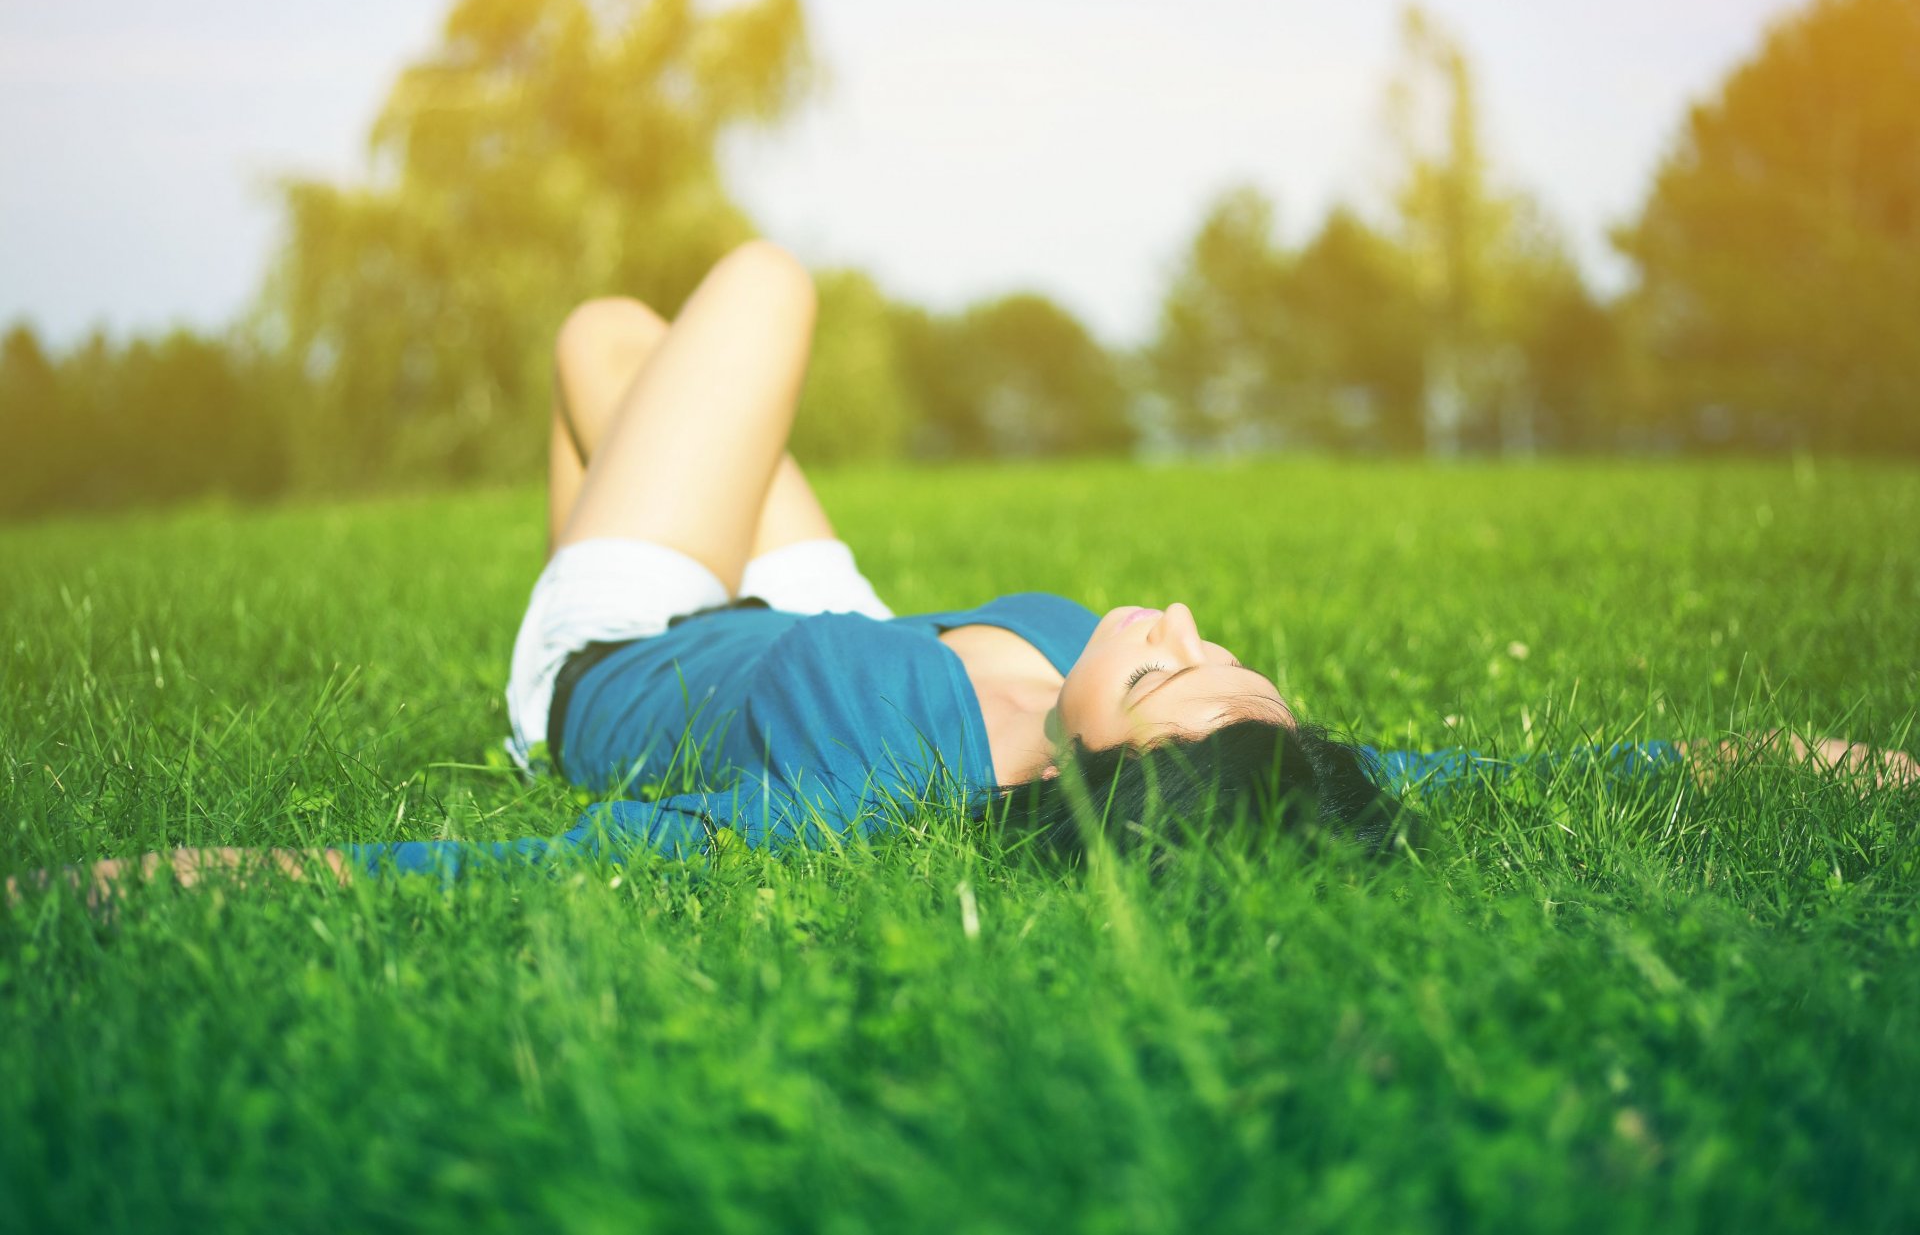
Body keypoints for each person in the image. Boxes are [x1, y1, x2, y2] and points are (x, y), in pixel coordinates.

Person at [12, 242, 1914, 904]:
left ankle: (559, 602)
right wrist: (1783, 762)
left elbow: (557, 869)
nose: (1174, 625)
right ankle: (613, 447)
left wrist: (181, 872)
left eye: (1159, 674)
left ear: (1102, 775)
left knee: (731, 299)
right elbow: (1461, 788)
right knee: (609, 351)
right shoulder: (1220, 760)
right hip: (833, 619)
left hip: (632, 651)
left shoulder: (883, 791)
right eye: (1218, 658)